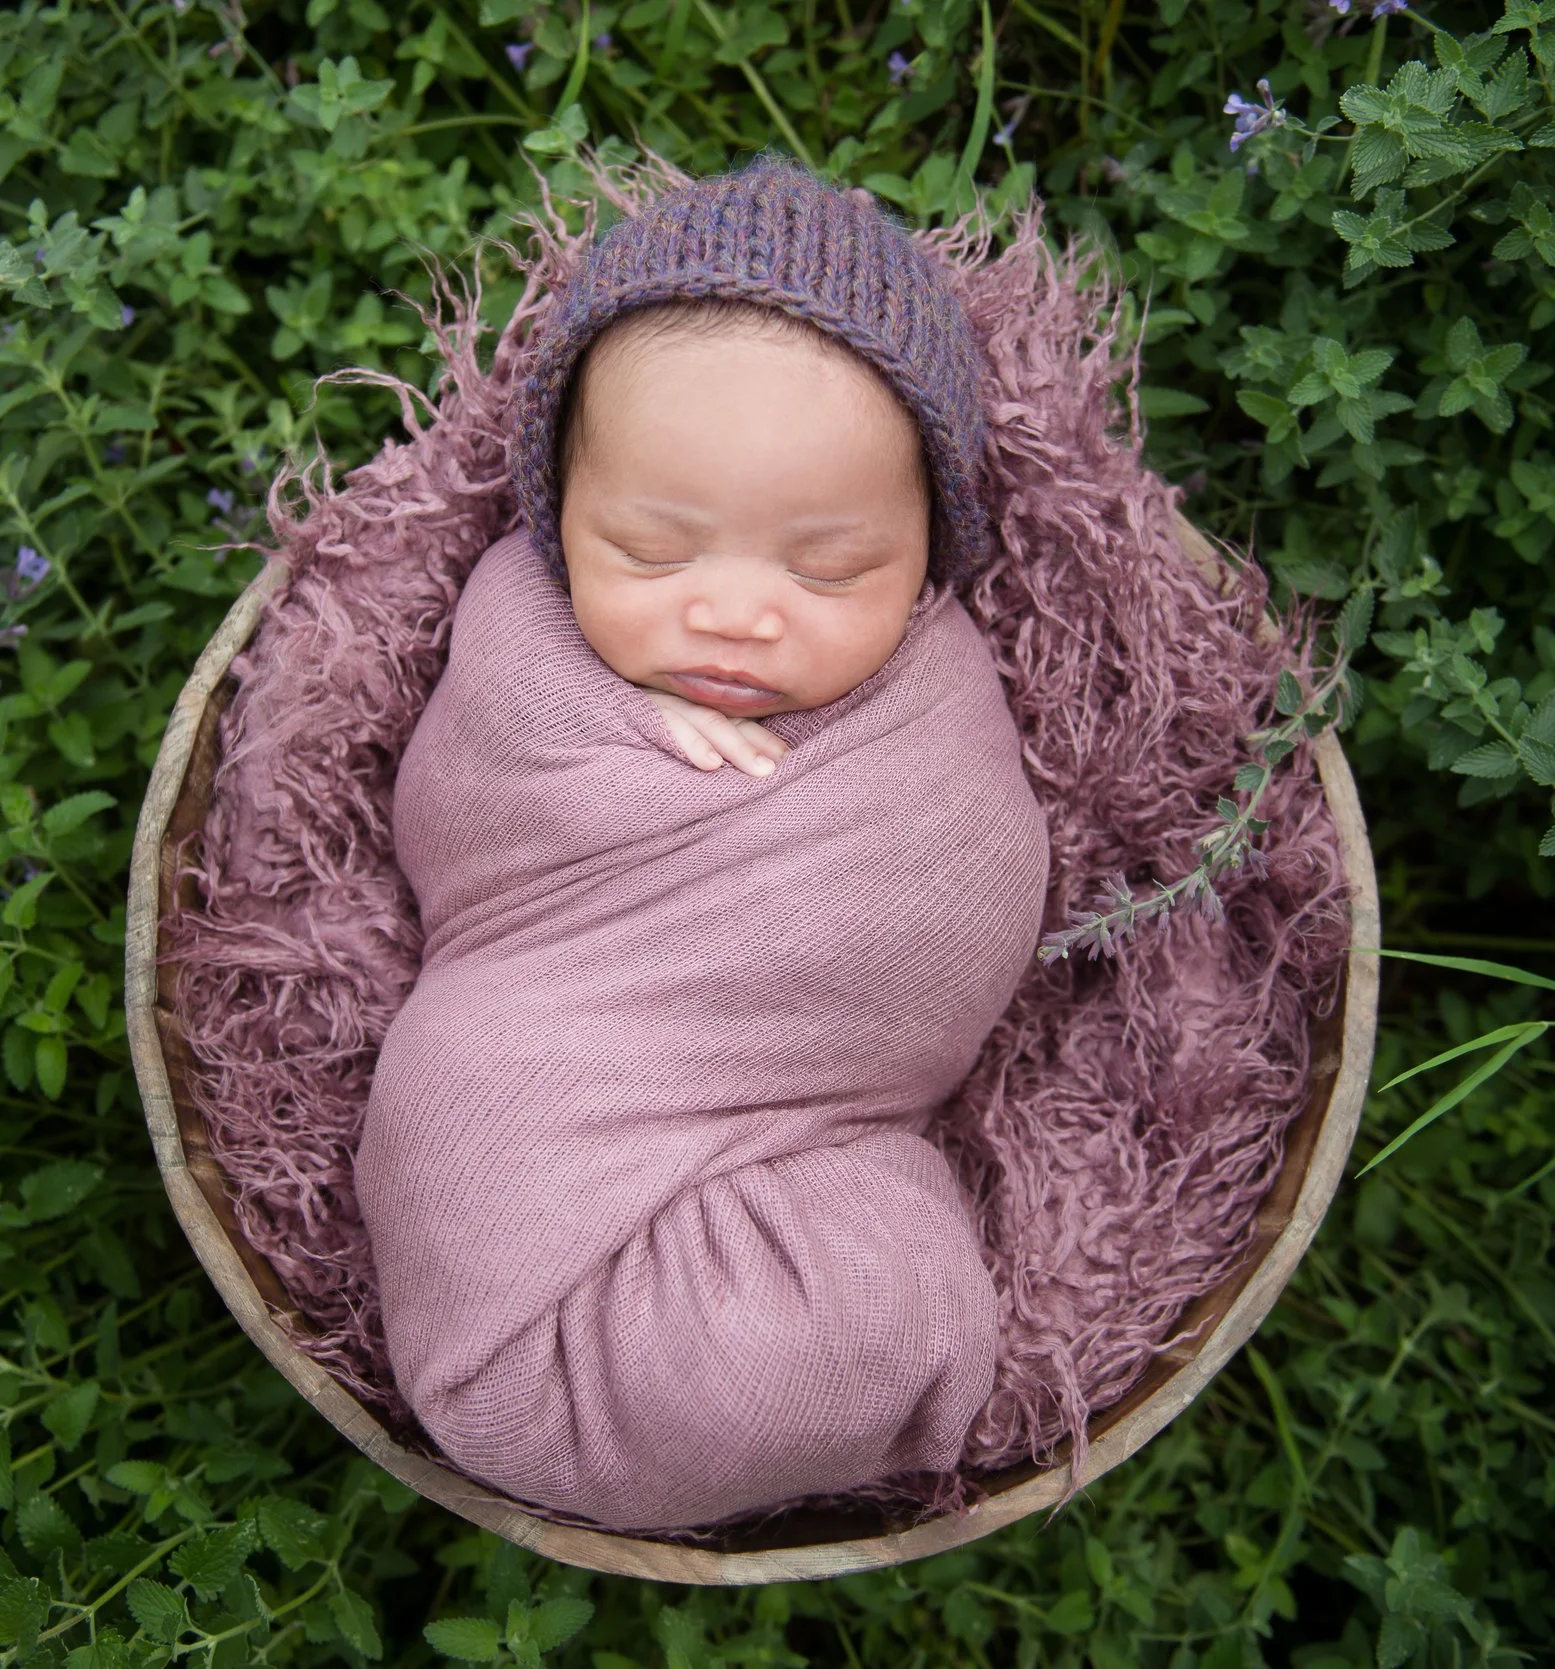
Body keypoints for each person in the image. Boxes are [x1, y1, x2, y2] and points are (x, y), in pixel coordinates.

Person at [356, 151, 1047, 1530]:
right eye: (653, 555)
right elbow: (465, 801)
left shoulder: (936, 680)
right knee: (734, 1324)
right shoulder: (521, 627)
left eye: (830, 568)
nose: (734, 616)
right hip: (542, 1069)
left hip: (820, 1115)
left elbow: (969, 862)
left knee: (837, 1316)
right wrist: (604, 748)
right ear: (557, 517)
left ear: (931, 552)